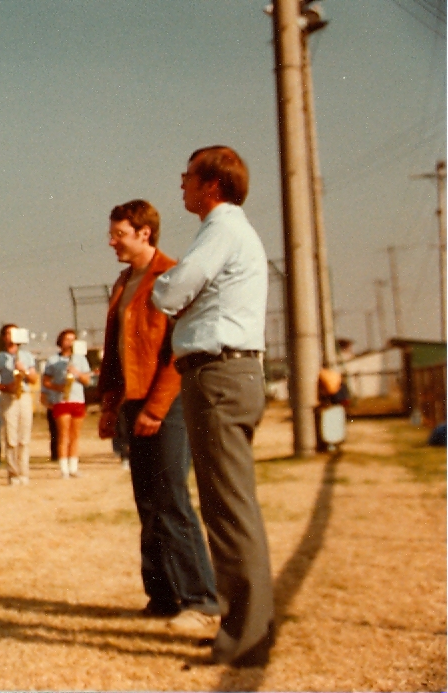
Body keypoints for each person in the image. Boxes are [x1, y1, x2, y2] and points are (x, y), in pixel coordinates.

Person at [151, 146, 274, 667]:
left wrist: (164, 289)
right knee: (231, 508)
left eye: (189, 176)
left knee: (228, 511)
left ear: (213, 185)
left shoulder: (222, 229)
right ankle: (247, 628)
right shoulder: (225, 230)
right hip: (225, 373)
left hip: (220, 374)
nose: (181, 183)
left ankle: (246, 638)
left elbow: (174, 287)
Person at [97, 199, 220, 635]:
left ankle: (202, 600)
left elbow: (177, 351)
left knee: (171, 500)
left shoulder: (171, 276)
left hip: (163, 406)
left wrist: (155, 407)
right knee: (148, 503)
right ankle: (163, 595)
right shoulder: (124, 282)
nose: (111, 241)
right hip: (134, 404)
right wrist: (111, 405)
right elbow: (117, 351)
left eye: (119, 234)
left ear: (145, 233)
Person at [0, 324, 39, 485]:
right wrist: (5, 387)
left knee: (24, 438)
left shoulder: (27, 356)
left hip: (24, 396)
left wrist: (23, 371)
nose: (12, 336)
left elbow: (34, 379)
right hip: (8, 397)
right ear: (4, 337)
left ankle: (24, 472)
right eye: (9, 333)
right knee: (11, 437)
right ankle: (13, 473)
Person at [42, 329, 92, 479]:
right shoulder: (53, 360)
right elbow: (46, 382)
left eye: (72, 339)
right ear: (61, 342)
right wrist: (59, 387)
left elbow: (87, 381)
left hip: (77, 399)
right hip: (61, 399)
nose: (69, 342)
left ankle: (74, 467)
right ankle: (63, 468)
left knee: (75, 435)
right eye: (66, 339)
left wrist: (77, 372)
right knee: (63, 435)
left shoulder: (81, 359)